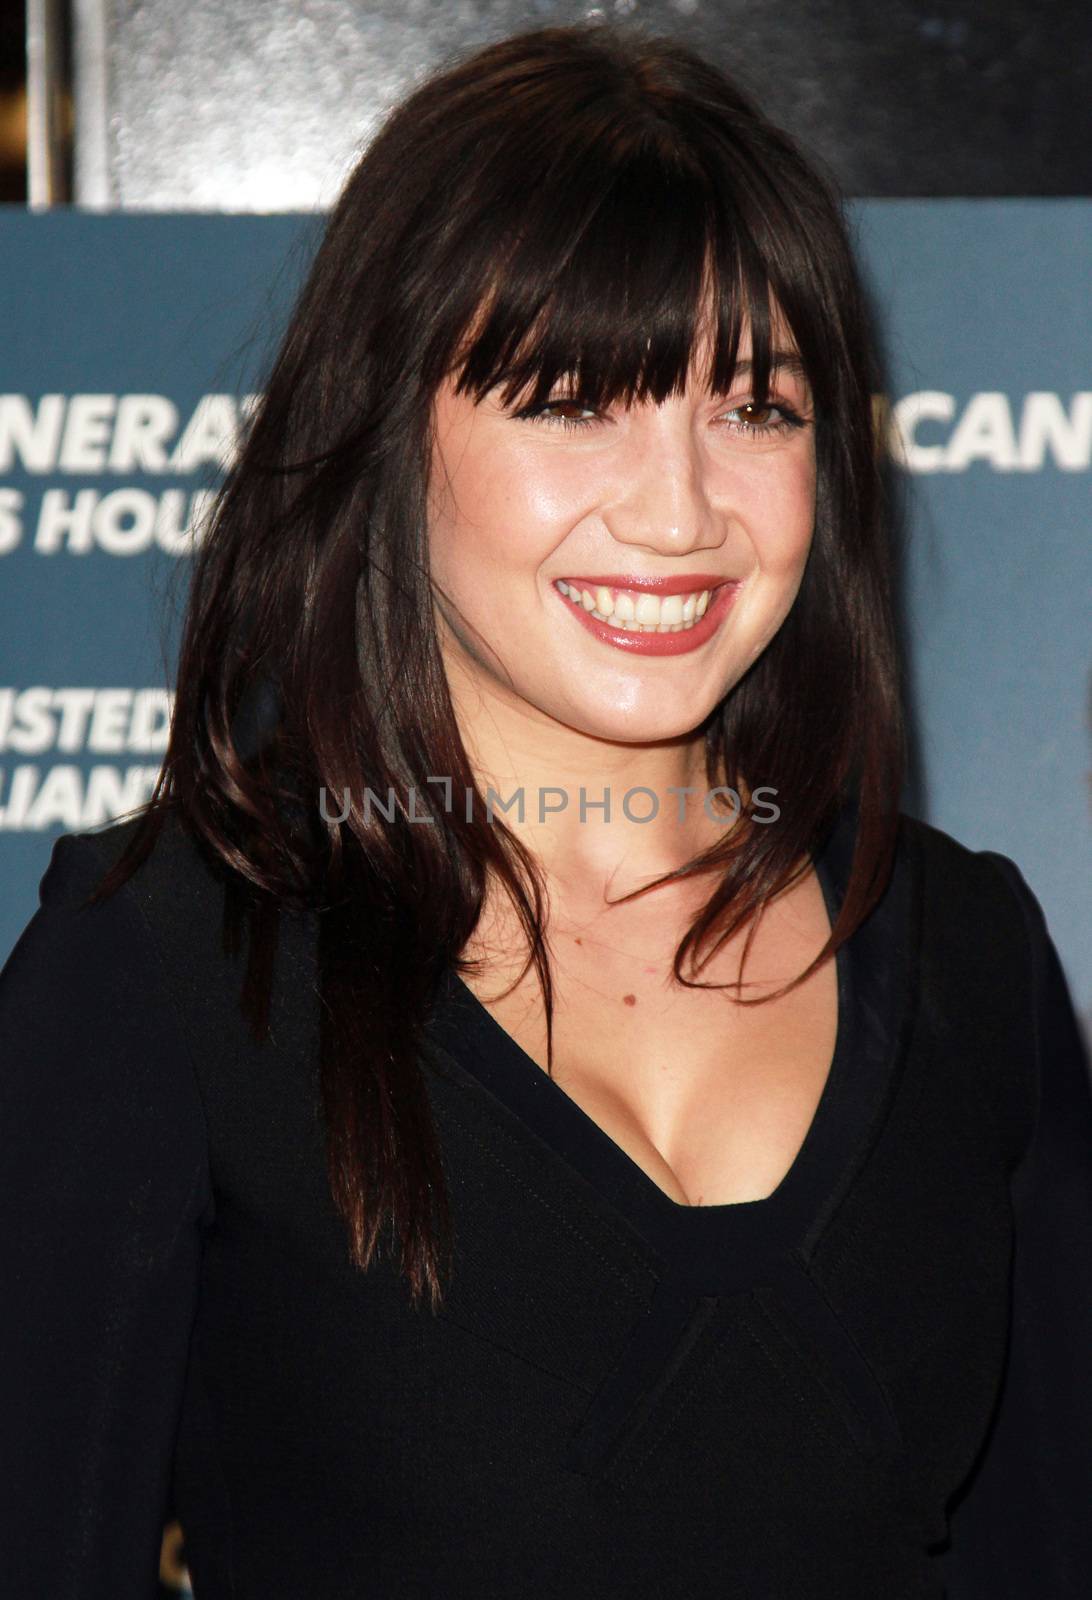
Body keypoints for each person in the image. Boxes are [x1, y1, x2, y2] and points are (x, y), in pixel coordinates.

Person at [1, 19, 1090, 1599]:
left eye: (755, 407)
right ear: (388, 431)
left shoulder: (962, 955)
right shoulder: (164, 975)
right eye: (576, 400)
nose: (680, 509)